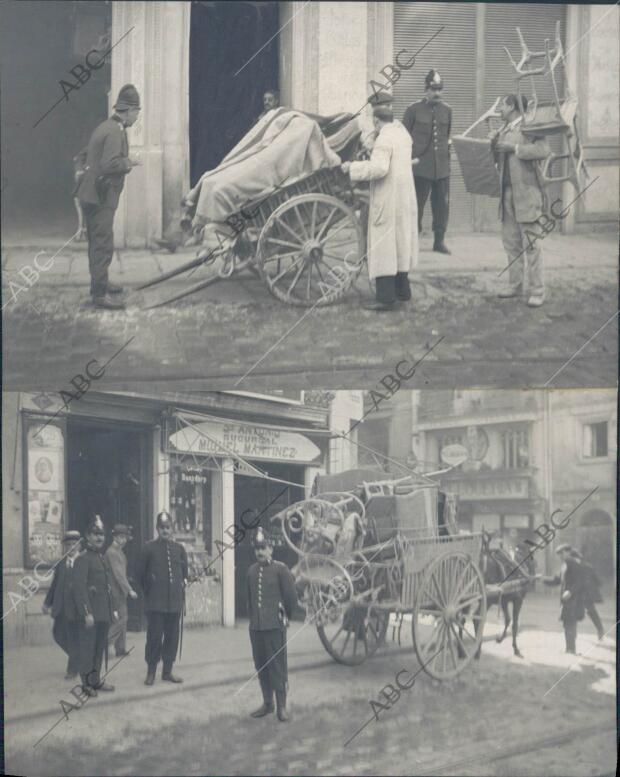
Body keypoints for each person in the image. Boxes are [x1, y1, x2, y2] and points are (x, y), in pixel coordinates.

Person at [342, 104, 417, 311]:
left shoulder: (384, 139)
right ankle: (403, 291)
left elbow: (379, 169)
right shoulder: (403, 135)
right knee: (400, 244)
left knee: (384, 247)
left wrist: (352, 168)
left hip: (387, 197)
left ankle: (385, 298)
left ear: (376, 121)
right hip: (403, 197)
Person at [76, 84, 141, 310]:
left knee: (98, 241)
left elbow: (83, 155)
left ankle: (101, 282)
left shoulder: (106, 126)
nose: (137, 117)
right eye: (137, 112)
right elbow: (109, 164)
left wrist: (83, 173)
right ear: (129, 110)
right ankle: (99, 294)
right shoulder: (115, 131)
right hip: (100, 197)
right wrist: (129, 162)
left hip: (92, 194)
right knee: (102, 243)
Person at [491, 93, 550, 307]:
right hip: (507, 194)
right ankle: (515, 285)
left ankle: (537, 290)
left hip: (527, 194)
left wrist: (514, 148)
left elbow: (544, 150)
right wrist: (493, 144)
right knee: (511, 242)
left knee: (532, 244)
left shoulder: (530, 126)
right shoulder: (504, 130)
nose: (500, 110)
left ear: (512, 106)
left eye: (503, 106)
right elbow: (497, 159)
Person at [247, 527, 298, 722]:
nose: (260, 551)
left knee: (277, 666)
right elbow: (249, 600)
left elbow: (291, 598)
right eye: (257, 548)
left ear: (271, 549)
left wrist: (284, 618)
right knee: (261, 665)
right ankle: (267, 703)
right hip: (257, 628)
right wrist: (253, 622)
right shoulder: (251, 571)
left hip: (275, 627)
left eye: (264, 547)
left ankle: (281, 707)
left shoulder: (281, 569)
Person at [402, 69, 452, 254]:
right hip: (419, 167)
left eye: (440, 89)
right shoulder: (413, 110)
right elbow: (404, 137)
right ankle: (412, 242)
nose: (437, 93)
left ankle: (439, 242)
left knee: (441, 206)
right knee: (416, 205)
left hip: (441, 168)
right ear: (426, 89)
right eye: (433, 89)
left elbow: (446, 137)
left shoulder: (447, 110)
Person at [140, 511, 188, 685]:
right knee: (154, 637)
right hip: (155, 603)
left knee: (172, 637)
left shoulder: (179, 549)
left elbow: (185, 574)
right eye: (162, 528)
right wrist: (150, 591)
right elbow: (140, 575)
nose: (165, 531)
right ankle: (151, 671)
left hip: (174, 603)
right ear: (157, 529)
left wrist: (182, 585)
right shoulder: (148, 548)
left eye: (168, 527)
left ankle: (167, 671)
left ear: (172, 529)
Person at [73, 516, 117, 696]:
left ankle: (95, 680)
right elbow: (79, 588)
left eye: (102, 534)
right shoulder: (82, 559)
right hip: (91, 614)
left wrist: (112, 609)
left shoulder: (102, 557)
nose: (99, 538)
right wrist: (86, 612)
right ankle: (86, 684)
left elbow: (108, 586)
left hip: (103, 612)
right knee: (88, 648)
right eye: (95, 534)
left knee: (100, 647)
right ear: (87, 536)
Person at [42, 530, 83, 679]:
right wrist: (47, 603)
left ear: (79, 545)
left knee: (73, 637)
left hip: (77, 609)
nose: (71, 547)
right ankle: (78, 657)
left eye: (74, 544)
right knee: (58, 634)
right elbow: (54, 585)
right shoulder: (61, 564)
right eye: (68, 545)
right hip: (62, 607)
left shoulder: (84, 562)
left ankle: (72, 669)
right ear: (64, 547)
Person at [544, 543, 586, 654]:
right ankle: (569, 648)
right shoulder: (564, 565)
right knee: (567, 623)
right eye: (559, 555)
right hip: (567, 600)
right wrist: (542, 579)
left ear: (568, 552)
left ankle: (571, 649)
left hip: (574, 600)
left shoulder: (574, 564)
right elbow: (556, 580)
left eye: (562, 553)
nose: (560, 556)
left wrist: (570, 592)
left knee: (570, 623)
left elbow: (580, 582)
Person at [105, 524, 138, 657]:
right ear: (114, 537)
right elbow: (118, 574)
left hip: (119, 590)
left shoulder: (118, 551)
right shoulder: (112, 552)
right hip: (115, 590)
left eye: (125, 537)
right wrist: (129, 590)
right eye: (121, 537)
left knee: (122, 618)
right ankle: (107, 640)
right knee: (122, 618)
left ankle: (120, 648)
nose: (124, 540)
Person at [571, 549, 605, 640]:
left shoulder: (574, 567)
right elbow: (598, 581)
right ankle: (600, 629)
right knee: (591, 611)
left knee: (573, 612)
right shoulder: (589, 567)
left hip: (579, 594)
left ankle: (573, 635)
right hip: (587, 594)